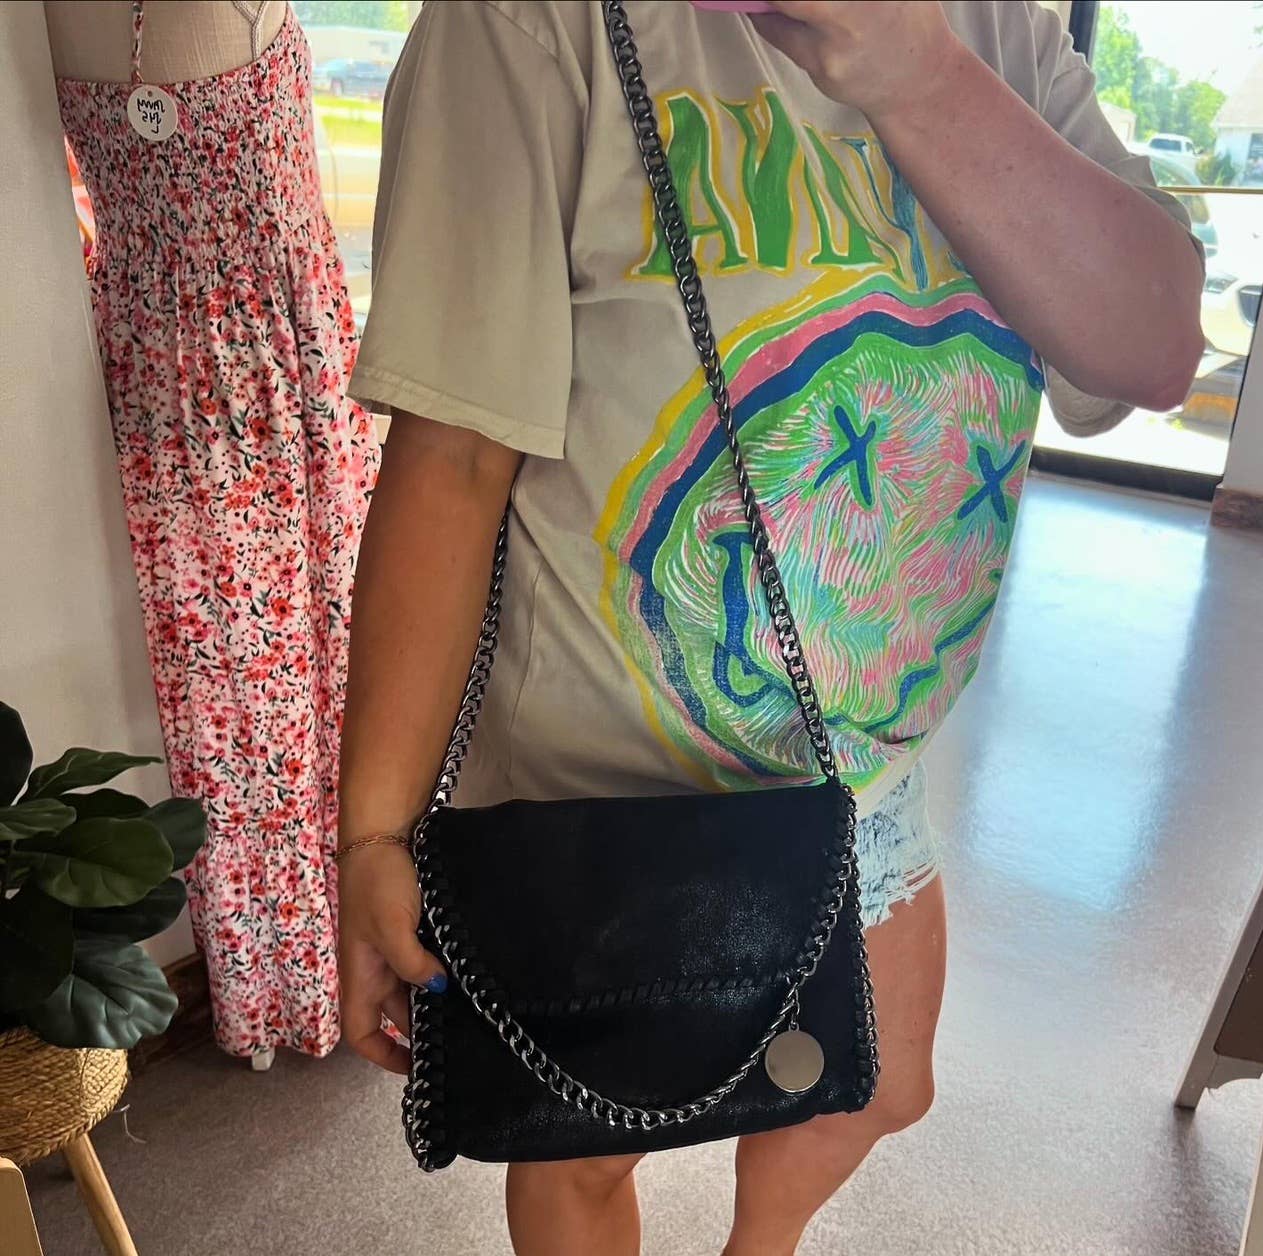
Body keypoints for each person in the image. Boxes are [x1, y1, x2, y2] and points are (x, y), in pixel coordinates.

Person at [338, 2, 1203, 1253]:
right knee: (585, 1137)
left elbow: (1156, 347)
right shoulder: (524, 22)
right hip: (598, 787)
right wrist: (373, 830)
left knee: (878, 1085)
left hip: (860, 770)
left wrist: (919, 75)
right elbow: (453, 460)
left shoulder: (997, 25)